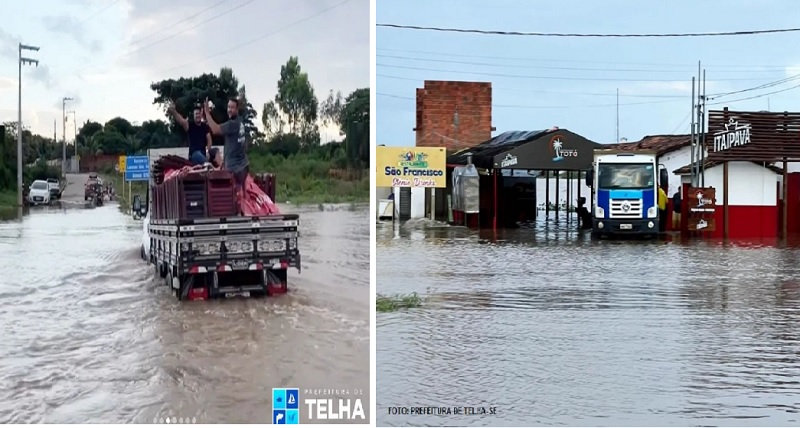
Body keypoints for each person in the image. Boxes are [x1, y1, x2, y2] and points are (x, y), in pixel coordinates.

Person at [203, 97, 249, 189]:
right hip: (241, 167)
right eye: (228, 107)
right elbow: (236, 146)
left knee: (229, 197)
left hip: (236, 170)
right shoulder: (240, 122)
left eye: (232, 108)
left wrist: (207, 113)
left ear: (237, 109)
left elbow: (215, 130)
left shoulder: (233, 124)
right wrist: (224, 164)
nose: (229, 110)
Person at [168, 101, 212, 165]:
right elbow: (181, 121)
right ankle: (209, 165)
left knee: (216, 150)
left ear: (201, 114)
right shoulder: (190, 125)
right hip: (194, 155)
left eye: (199, 113)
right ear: (193, 116)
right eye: (196, 114)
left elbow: (209, 140)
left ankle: (224, 169)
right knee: (197, 154)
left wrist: (207, 150)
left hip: (204, 152)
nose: (198, 115)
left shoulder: (205, 126)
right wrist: (174, 111)